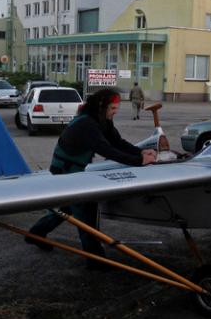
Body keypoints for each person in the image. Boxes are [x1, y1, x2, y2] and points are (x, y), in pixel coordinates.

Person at [25, 87, 157, 270]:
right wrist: (139, 161)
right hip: (65, 170)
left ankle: (35, 234)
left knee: (67, 208)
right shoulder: (86, 124)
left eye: (116, 109)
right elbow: (106, 150)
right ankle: (96, 260)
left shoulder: (102, 120)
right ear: (101, 106)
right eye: (112, 108)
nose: (115, 112)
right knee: (86, 211)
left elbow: (117, 143)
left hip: (75, 168)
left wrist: (140, 152)